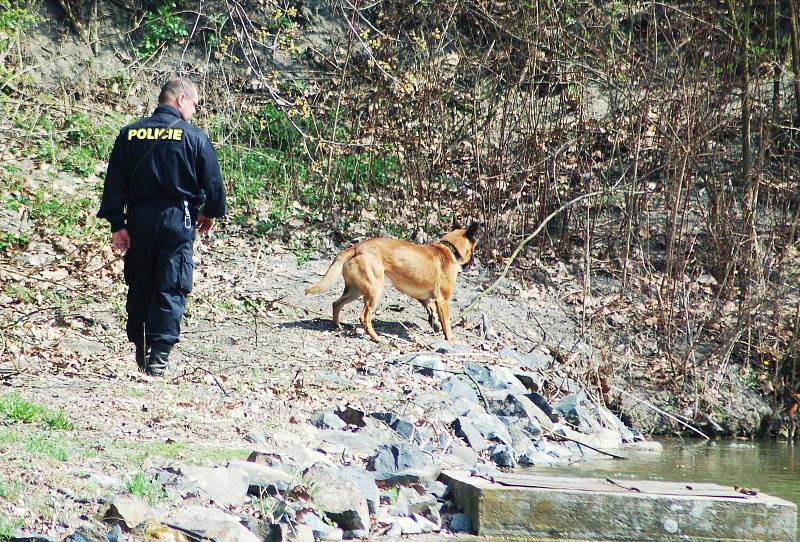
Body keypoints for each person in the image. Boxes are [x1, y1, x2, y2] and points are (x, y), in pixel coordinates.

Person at [97, 76, 226, 376]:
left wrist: (118, 223)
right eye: (194, 104)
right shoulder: (194, 136)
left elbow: (114, 183)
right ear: (180, 100)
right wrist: (211, 212)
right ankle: (160, 354)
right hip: (177, 218)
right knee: (172, 283)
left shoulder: (129, 134)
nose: (194, 111)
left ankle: (141, 344)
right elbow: (214, 183)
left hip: (139, 219)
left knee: (141, 281)